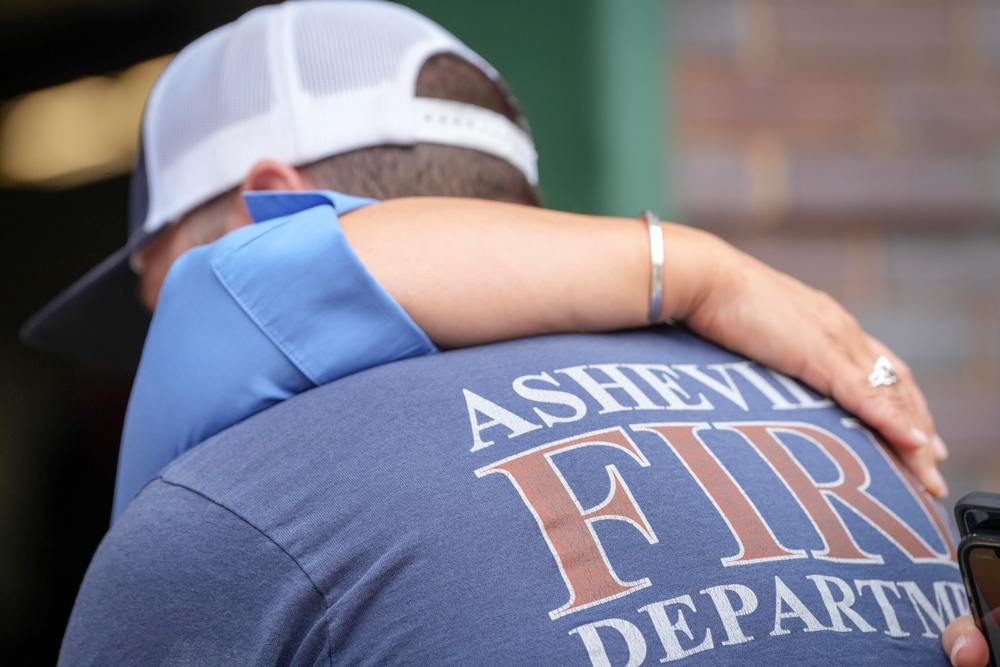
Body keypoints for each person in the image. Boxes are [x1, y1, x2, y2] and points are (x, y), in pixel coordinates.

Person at [21, 1, 981, 664]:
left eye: (156, 287)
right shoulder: (839, 409)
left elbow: (221, 296)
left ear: (270, 209)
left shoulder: (220, 509)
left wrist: (697, 269)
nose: (154, 347)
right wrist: (701, 270)